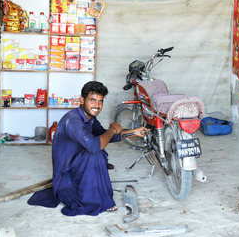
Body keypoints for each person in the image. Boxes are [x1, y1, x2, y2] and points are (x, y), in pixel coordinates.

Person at [28, 81, 149, 216]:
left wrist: (134, 132)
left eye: (100, 101)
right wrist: (113, 129)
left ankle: (96, 194)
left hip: (77, 167)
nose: (97, 106)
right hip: (66, 180)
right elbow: (95, 145)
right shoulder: (73, 121)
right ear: (82, 100)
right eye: (92, 100)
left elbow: (107, 136)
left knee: (98, 148)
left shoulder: (89, 118)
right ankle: (97, 201)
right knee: (95, 151)